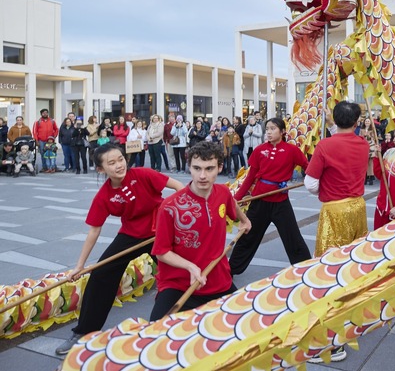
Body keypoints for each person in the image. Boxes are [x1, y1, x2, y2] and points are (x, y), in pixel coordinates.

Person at [55, 143, 183, 355]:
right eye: (111, 163)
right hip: (131, 234)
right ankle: (84, 331)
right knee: (100, 274)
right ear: (101, 169)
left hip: (159, 230)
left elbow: (179, 187)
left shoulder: (143, 173)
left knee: (177, 273)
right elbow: (94, 231)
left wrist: (170, 214)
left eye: (120, 159)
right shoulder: (104, 195)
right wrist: (79, 266)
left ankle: (195, 314)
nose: (118, 165)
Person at [148, 141, 251, 320]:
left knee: (245, 325)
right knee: (155, 336)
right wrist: (191, 267)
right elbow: (161, 252)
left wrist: (244, 220)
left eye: (209, 168)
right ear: (190, 167)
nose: (202, 175)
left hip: (218, 279)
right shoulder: (170, 206)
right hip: (178, 284)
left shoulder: (223, 192)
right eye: (197, 168)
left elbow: (231, 203)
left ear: (219, 168)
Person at [304, 101, 369, 364]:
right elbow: (343, 136)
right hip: (358, 209)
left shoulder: (325, 146)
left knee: (329, 272)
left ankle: (331, 343)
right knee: (352, 267)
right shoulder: (363, 144)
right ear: (356, 122)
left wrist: (323, 191)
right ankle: (351, 319)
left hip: (335, 212)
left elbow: (309, 183)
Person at [229, 118, 311, 277]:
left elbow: (309, 168)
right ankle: (230, 270)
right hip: (259, 200)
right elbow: (250, 177)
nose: (268, 132)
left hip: (281, 202)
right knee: (247, 236)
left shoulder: (292, 150)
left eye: (273, 128)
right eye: (267, 129)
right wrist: (237, 198)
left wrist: (317, 179)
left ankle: (305, 269)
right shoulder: (260, 150)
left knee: (293, 237)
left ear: (282, 132)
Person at [359, 117, 378, 185]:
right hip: (364, 146)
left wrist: (369, 136)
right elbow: (359, 137)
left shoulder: (373, 129)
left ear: (370, 123)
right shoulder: (361, 130)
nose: (367, 122)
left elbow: (375, 138)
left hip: (371, 146)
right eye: (366, 121)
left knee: (370, 162)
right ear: (364, 122)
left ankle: (371, 177)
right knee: (364, 162)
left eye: (368, 121)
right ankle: (365, 176)